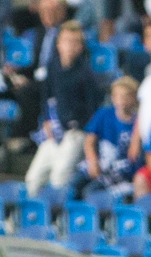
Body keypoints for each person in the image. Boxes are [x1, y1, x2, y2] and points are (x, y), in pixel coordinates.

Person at [25, 23, 101, 195]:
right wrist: (46, 121)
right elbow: (46, 96)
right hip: (53, 129)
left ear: (81, 47)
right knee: (33, 178)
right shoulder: (53, 66)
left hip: (76, 132)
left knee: (59, 177)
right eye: (66, 41)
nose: (69, 46)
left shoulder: (86, 74)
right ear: (58, 44)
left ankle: (56, 215)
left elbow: (92, 109)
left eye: (75, 42)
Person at [79, 77, 142, 198]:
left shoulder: (139, 121)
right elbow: (89, 141)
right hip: (100, 164)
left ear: (134, 98)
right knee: (74, 184)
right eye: (118, 95)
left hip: (123, 172)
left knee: (91, 192)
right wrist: (93, 161)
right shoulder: (104, 114)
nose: (122, 100)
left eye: (126, 96)